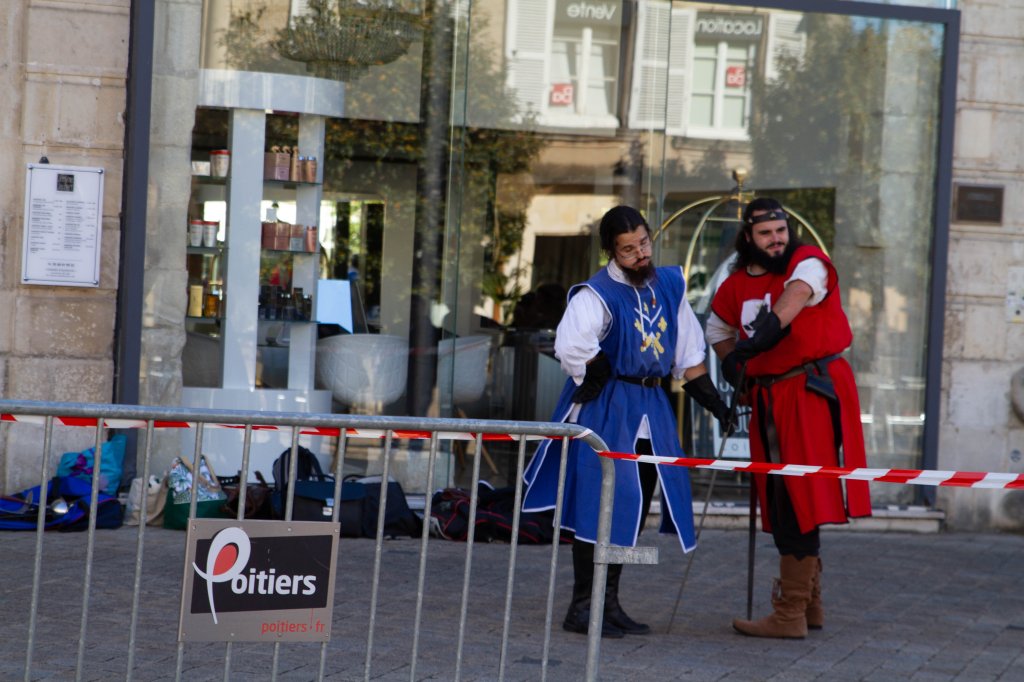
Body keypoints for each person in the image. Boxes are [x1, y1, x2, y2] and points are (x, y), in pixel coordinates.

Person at [522, 206, 732, 639]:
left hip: (652, 407)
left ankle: (608, 602)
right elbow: (571, 345)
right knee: (598, 507)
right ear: (610, 251)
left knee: (633, 508)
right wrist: (597, 366)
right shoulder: (595, 294)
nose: (640, 254)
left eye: (644, 243)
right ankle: (582, 607)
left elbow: (688, 356)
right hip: (608, 404)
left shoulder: (669, 285)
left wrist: (716, 404)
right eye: (628, 249)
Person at [706, 196, 872, 639]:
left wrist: (764, 334)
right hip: (769, 398)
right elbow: (717, 329)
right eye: (766, 233)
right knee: (783, 495)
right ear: (748, 237)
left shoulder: (808, 260)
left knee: (800, 494)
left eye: (780, 231)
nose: (776, 240)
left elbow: (798, 292)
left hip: (808, 391)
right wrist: (733, 365)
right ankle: (808, 606)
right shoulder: (735, 283)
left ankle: (789, 614)